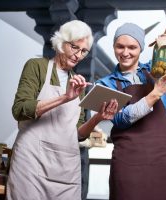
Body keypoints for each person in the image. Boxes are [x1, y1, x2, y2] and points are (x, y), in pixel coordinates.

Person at [96, 23, 166, 200]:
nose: (125, 52)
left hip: (163, 156)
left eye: (132, 47)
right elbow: (121, 119)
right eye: (120, 46)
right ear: (114, 47)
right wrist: (156, 92)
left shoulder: (157, 68)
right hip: (128, 161)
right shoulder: (105, 84)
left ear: (141, 48)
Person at [7, 20, 118, 200]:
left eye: (83, 51)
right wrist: (64, 98)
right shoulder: (37, 67)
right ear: (61, 42)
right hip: (31, 163)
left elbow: (78, 134)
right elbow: (20, 109)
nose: (78, 55)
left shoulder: (79, 83)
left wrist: (97, 118)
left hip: (64, 169)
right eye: (75, 47)